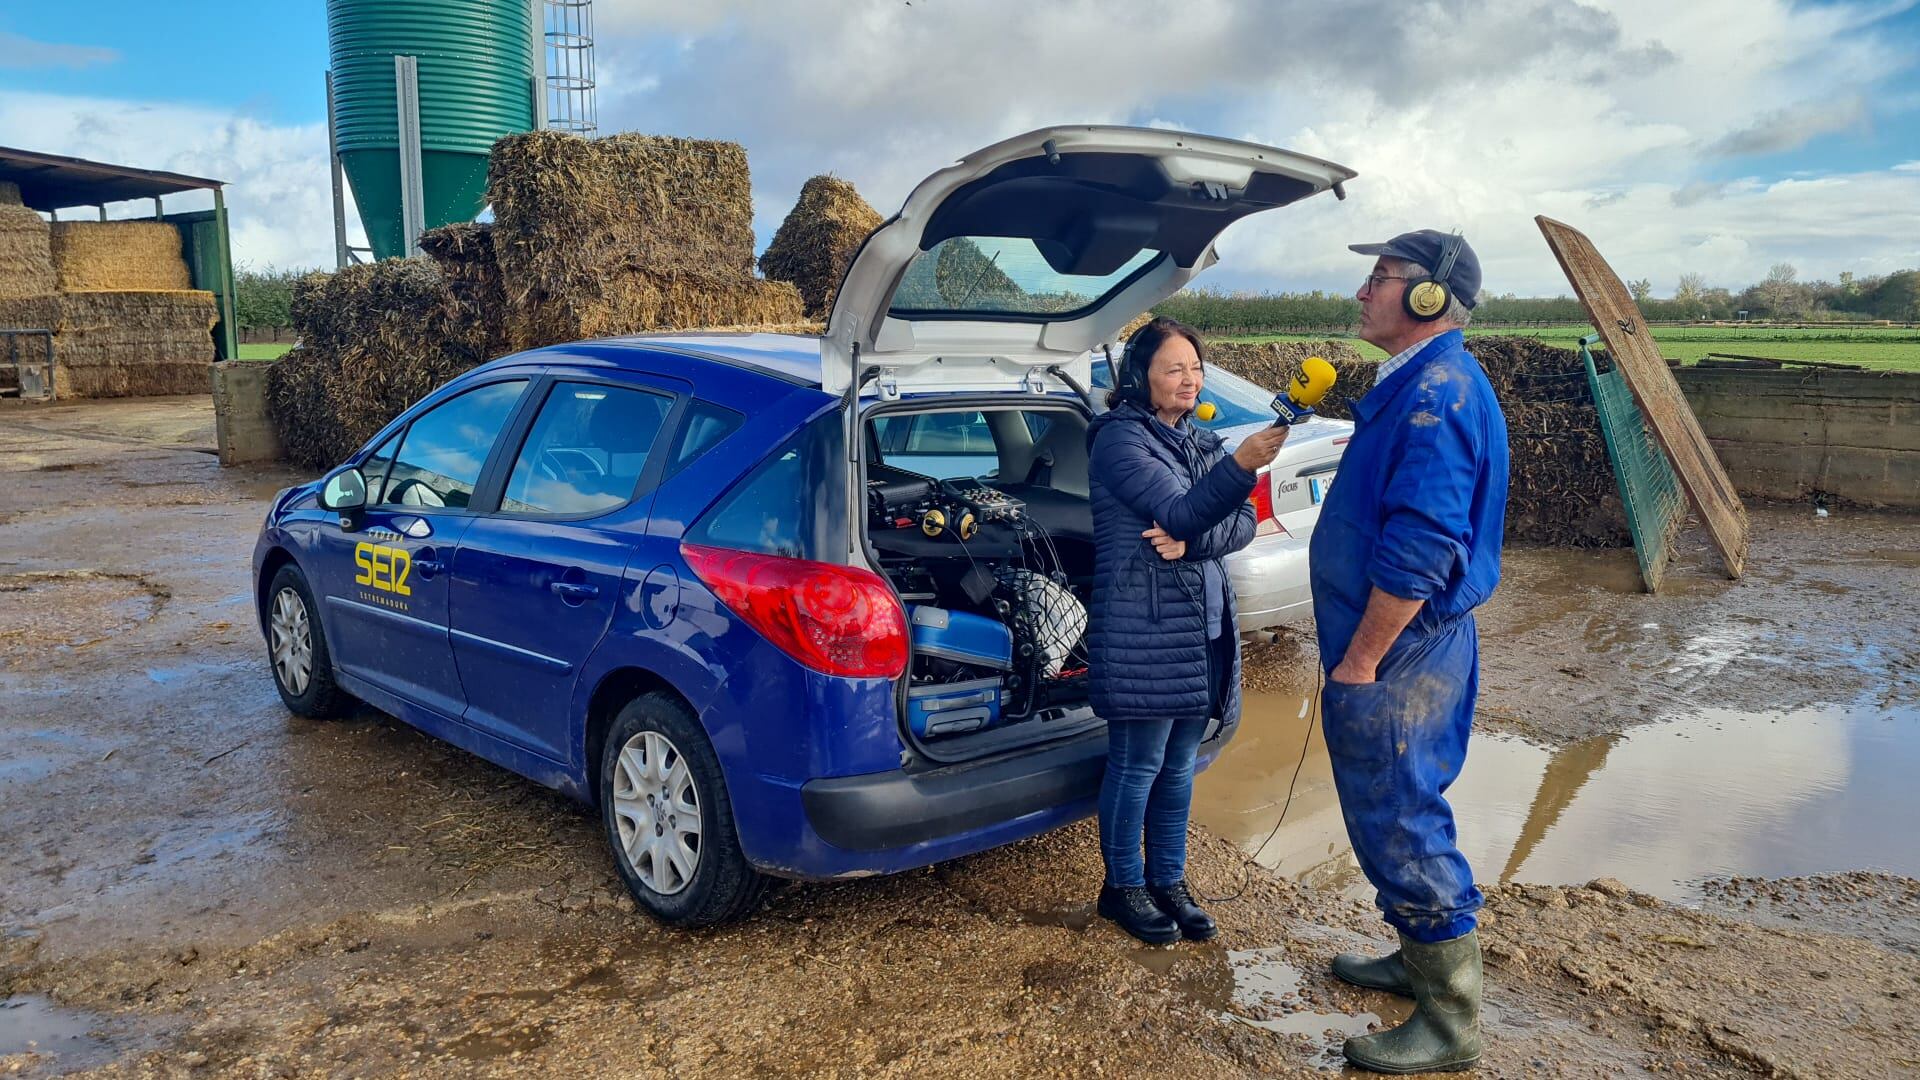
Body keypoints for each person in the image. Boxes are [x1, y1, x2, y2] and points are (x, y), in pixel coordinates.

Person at [1308, 230, 1509, 1074]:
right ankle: (1415, 955)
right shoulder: (1420, 384)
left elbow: (1421, 551)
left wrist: (1360, 663)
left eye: (1380, 277)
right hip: (1411, 646)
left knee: (1403, 816)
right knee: (1401, 807)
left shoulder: (1437, 394)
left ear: (1428, 298)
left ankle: (1451, 1022)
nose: (1363, 291)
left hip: (1399, 653)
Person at [1085, 317, 1290, 945]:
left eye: (1194, 368)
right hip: (1143, 621)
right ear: (1140, 376)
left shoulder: (1194, 440)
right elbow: (1179, 509)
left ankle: (1168, 881)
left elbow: (1243, 526)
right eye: (1174, 368)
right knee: (1138, 761)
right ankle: (1122, 887)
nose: (1189, 378)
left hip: (1198, 620)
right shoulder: (1121, 442)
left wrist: (1195, 537)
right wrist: (1240, 466)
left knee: (1179, 764)